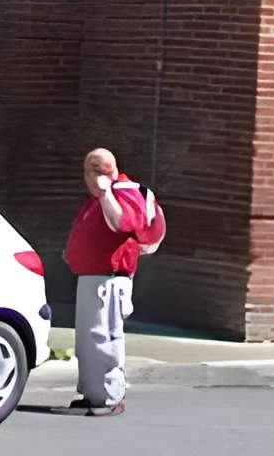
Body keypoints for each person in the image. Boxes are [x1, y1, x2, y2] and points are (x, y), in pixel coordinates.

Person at [64, 145, 161, 416]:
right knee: (88, 342)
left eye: (89, 171)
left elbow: (121, 223)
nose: (86, 177)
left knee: (106, 339)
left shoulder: (122, 192)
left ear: (100, 172)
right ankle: (90, 392)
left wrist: (106, 191)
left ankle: (109, 398)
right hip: (91, 278)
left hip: (109, 280)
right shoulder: (98, 197)